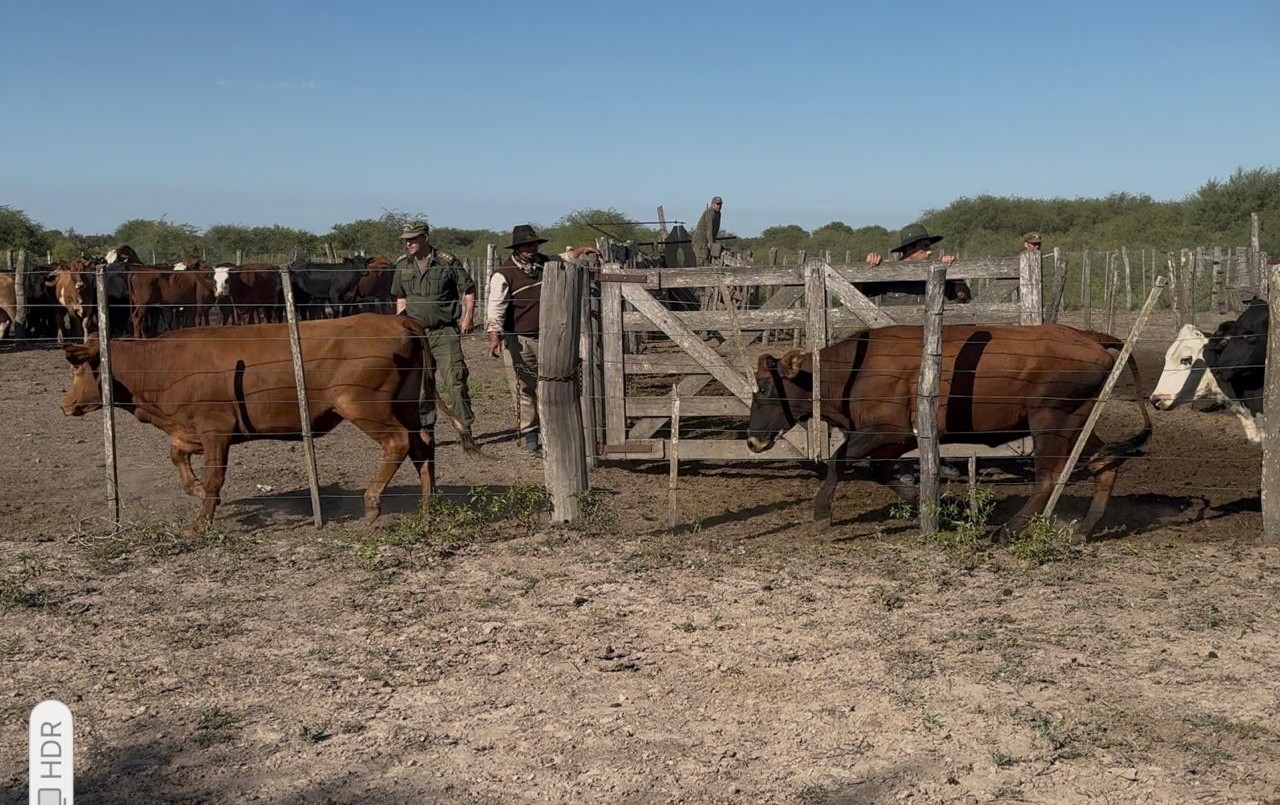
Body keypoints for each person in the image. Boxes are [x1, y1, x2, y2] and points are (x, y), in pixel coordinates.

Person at [486, 225, 599, 452]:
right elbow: (495, 307)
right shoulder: (503, 273)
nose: (531, 249)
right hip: (518, 338)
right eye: (526, 246)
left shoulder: (544, 263)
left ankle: (556, 430)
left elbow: (564, 257)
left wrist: (581, 251)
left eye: (534, 245)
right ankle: (529, 433)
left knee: (554, 382)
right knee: (523, 387)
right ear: (517, 249)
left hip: (549, 337)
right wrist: (494, 336)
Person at [391, 221, 481, 454]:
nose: (408, 243)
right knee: (421, 386)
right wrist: (399, 326)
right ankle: (426, 433)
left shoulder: (446, 261)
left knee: (455, 380)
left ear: (426, 238)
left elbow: (469, 289)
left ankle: (465, 432)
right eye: (406, 239)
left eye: (413, 238)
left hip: (444, 332)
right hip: (415, 334)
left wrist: (467, 317)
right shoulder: (402, 265)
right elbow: (401, 298)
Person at [863, 223, 971, 304]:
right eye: (924, 247)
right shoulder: (887, 272)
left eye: (929, 246)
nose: (930, 251)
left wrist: (953, 272)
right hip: (893, 333)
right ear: (910, 248)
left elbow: (964, 297)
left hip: (930, 332)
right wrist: (869, 267)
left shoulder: (935, 273)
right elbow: (857, 292)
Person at [691, 196, 723, 266]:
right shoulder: (710, 212)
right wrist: (710, 242)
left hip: (707, 240)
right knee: (702, 260)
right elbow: (709, 228)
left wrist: (713, 241)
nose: (719, 206)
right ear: (712, 204)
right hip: (700, 241)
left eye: (720, 204)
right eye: (717, 204)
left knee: (708, 260)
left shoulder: (718, 214)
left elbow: (715, 229)